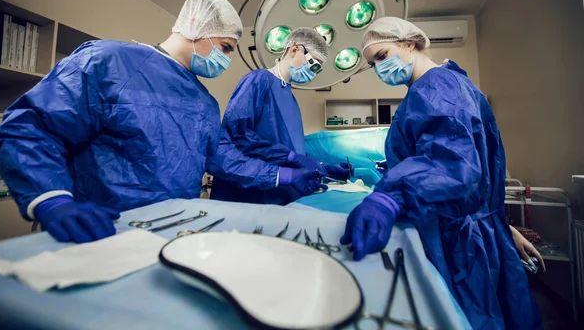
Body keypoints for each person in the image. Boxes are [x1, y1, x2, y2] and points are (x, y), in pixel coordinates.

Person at [0, 0, 243, 244]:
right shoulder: (108, 62)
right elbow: (32, 128)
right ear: (195, 24)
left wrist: (277, 172)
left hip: (175, 232)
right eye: (225, 48)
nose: (227, 59)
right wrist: (52, 200)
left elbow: (219, 158)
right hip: (100, 231)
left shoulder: (205, 102)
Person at [340, 17, 541, 329]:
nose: (379, 68)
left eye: (382, 56)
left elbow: (452, 164)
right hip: (478, 232)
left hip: (460, 243)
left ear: (410, 44)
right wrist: (504, 228)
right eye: (372, 63)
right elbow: (475, 178)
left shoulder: (436, 89)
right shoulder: (451, 85)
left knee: (466, 317)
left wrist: (389, 197)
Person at [208, 28, 351, 205]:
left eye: (317, 70)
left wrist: (323, 169)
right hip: (252, 195)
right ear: (294, 50)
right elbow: (238, 136)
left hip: (280, 194)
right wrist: (291, 157)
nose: (313, 72)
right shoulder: (259, 80)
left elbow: (290, 146)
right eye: (312, 63)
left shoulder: (290, 98)